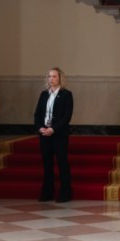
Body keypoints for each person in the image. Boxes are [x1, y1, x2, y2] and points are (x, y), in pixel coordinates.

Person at [33, 67, 74, 202]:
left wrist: (53, 129)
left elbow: (66, 117)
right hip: (44, 134)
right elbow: (38, 114)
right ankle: (47, 193)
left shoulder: (66, 94)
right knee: (47, 164)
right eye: (49, 76)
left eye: (54, 76)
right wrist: (40, 128)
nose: (51, 79)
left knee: (62, 163)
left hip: (59, 134)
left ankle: (65, 194)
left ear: (60, 78)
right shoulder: (44, 94)